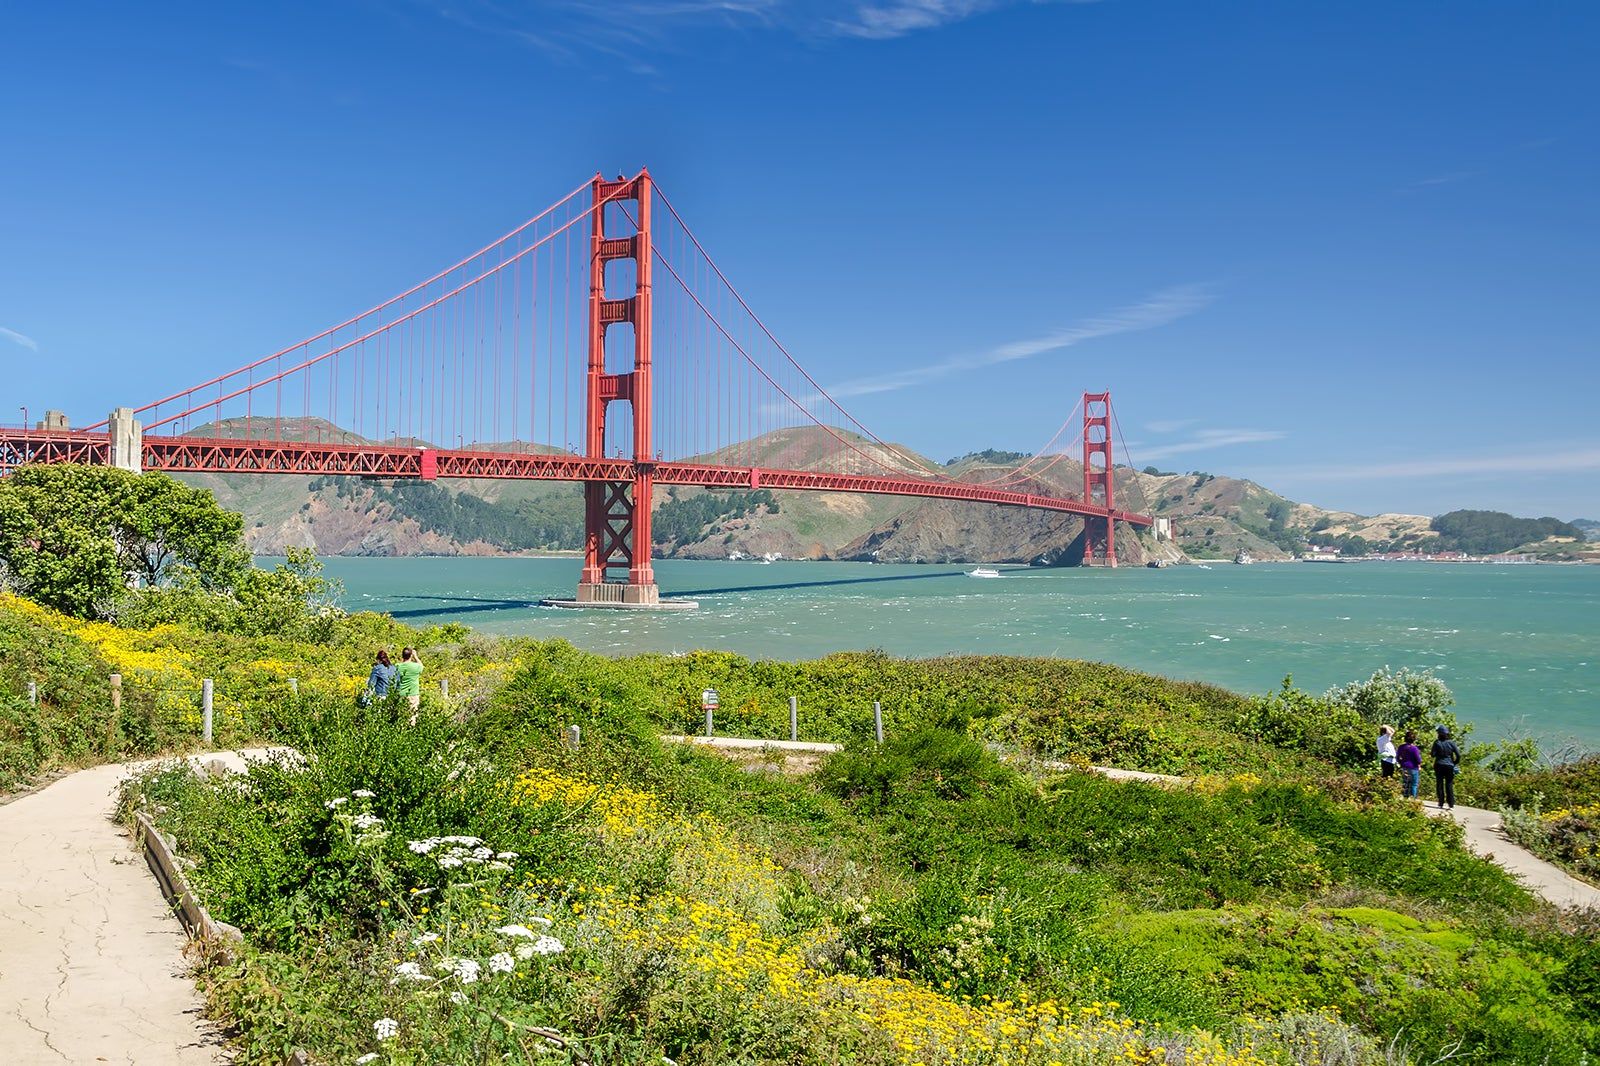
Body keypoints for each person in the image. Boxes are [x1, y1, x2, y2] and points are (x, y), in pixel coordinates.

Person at [1431, 725, 1462, 810]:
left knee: (1439, 784)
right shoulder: (1451, 743)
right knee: (1449, 784)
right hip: (1449, 765)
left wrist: (1438, 753)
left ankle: (1440, 803)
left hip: (1439, 765)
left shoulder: (1436, 742)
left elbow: (1432, 754)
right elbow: (1458, 755)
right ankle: (1451, 804)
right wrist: (1454, 763)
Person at [395, 647, 424, 719]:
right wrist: (416, 656)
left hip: (401, 693)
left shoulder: (397, 666)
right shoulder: (416, 666)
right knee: (413, 716)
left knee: (401, 715)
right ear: (411, 655)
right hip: (413, 693)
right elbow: (421, 666)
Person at [1397, 730, 1424, 799]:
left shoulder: (1401, 747)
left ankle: (1405, 797)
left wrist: (1401, 763)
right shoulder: (1414, 748)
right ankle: (1412, 799)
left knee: (1405, 783)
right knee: (1414, 784)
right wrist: (1419, 764)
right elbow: (1418, 759)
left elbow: (1397, 757)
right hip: (1413, 768)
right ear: (1414, 739)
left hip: (1404, 767)